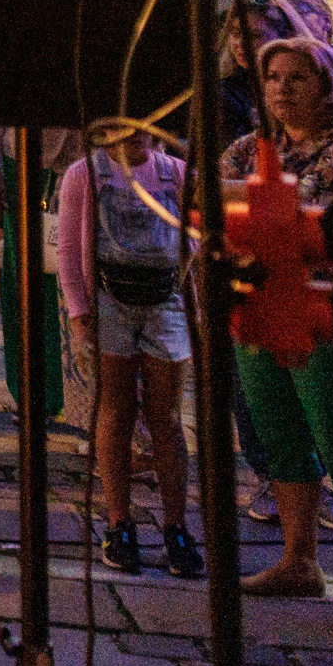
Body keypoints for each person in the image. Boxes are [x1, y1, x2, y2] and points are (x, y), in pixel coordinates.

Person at [226, 36, 333, 639]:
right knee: (280, 437)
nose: (280, 88)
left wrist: (246, 218)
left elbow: (323, 228)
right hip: (259, 310)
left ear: (329, 86)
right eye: (272, 76)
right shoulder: (252, 148)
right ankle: (299, 561)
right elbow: (210, 202)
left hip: (329, 315)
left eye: (296, 77)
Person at [56, 121, 201, 578]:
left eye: (141, 126)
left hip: (166, 300)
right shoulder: (85, 175)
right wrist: (80, 313)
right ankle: (120, 522)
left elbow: (192, 241)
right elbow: (68, 251)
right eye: (119, 127)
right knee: (115, 409)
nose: (132, 136)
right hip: (108, 301)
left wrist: (196, 310)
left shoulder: (175, 173)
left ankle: (176, 525)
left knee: (166, 414)